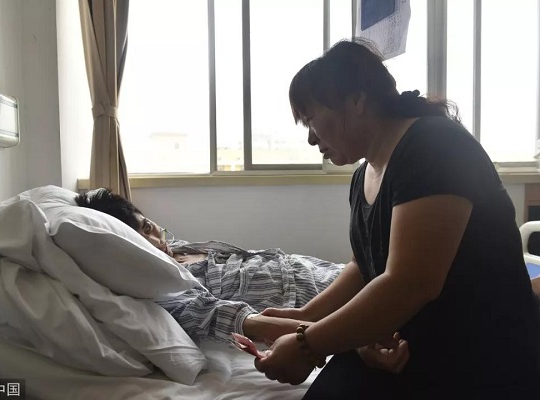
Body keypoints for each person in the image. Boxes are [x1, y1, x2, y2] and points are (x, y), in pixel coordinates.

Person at [250, 39, 540, 399]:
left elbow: (410, 283)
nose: (311, 139)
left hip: (485, 350)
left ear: (356, 101)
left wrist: (308, 344)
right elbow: (364, 266)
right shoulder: (364, 174)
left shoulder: (434, 145)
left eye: (311, 120)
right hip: (410, 343)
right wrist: (306, 316)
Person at [74, 188, 343, 344]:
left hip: (318, 270)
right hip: (316, 297)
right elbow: (238, 320)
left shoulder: (181, 248)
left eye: (148, 227)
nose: (157, 242)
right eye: (141, 241)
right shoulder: (167, 291)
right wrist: (325, 339)